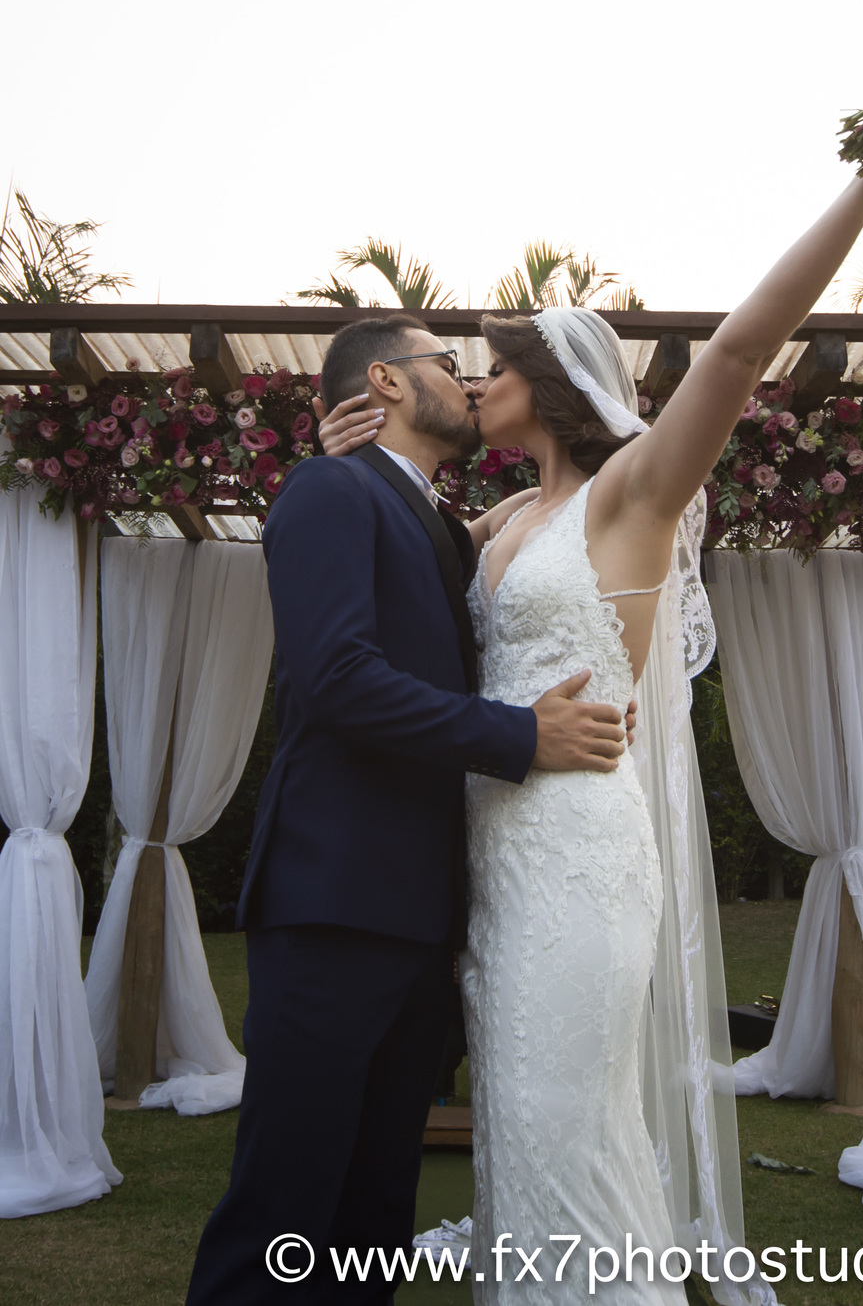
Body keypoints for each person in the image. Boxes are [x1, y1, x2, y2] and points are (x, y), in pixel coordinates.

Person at [318, 72, 863, 1301]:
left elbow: (737, 349)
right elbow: (403, 607)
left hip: (579, 851)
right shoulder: (501, 514)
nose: (470, 381)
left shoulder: (633, 494)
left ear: (546, 383)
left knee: (570, 1124)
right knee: (520, 1127)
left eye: (489, 367)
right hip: (498, 856)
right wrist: (340, 466)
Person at [185, 310, 636, 1305]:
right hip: (334, 904)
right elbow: (339, 677)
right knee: (283, 1204)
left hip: (423, 921)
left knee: (374, 1210)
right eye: (448, 363)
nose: (471, 383)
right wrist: (522, 736)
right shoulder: (328, 489)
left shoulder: (428, 518)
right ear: (386, 382)